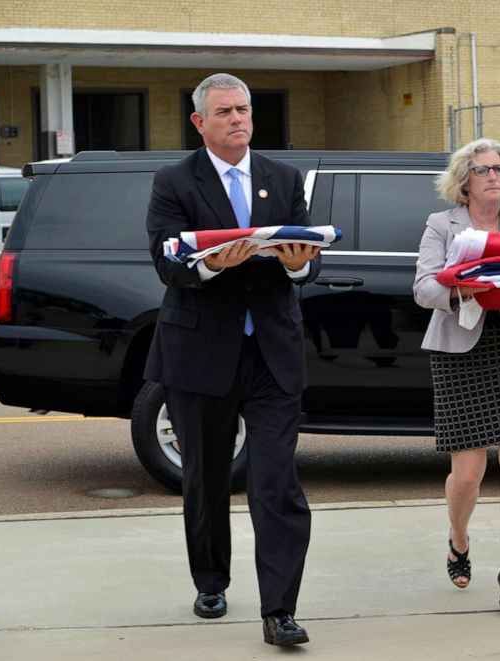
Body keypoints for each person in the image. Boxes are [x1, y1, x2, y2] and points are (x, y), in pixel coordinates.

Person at [145, 73, 321, 645]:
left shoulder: (284, 177)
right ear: (200, 122)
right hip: (200, 351)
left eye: (243, 109)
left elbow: (306, 264)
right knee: (206, 477)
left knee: (276, 483)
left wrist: (297, 263)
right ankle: (211, 579)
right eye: (224, 112)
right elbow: (167, 260)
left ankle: (280, 611)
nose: (237, 119)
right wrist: (209, 265)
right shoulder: (174, 181)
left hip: (272, 351)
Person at [413, 138, 500, 617]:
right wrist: (461, 288)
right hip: (459, 344)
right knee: (468, 472)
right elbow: (424, 285)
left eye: (499, 169)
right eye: (483, 170)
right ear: (464, 181)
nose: (494, 177)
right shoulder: (441, 224)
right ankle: (458, 537)